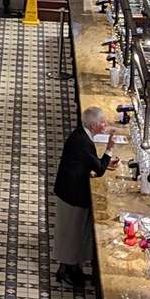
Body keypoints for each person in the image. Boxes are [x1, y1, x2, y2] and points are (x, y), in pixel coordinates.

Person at [52, 106, 118, 287]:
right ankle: (65, 272)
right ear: (94, 125)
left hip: (72, 189)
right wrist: (109, 149)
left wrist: (101, 162)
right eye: (102, 122)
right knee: (71, 234)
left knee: (76, 233)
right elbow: (99, 168)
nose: (105, 125)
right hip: (72, 194)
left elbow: (90, 163)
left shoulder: (81, 136)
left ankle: (74, 269)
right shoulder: (82, 142)